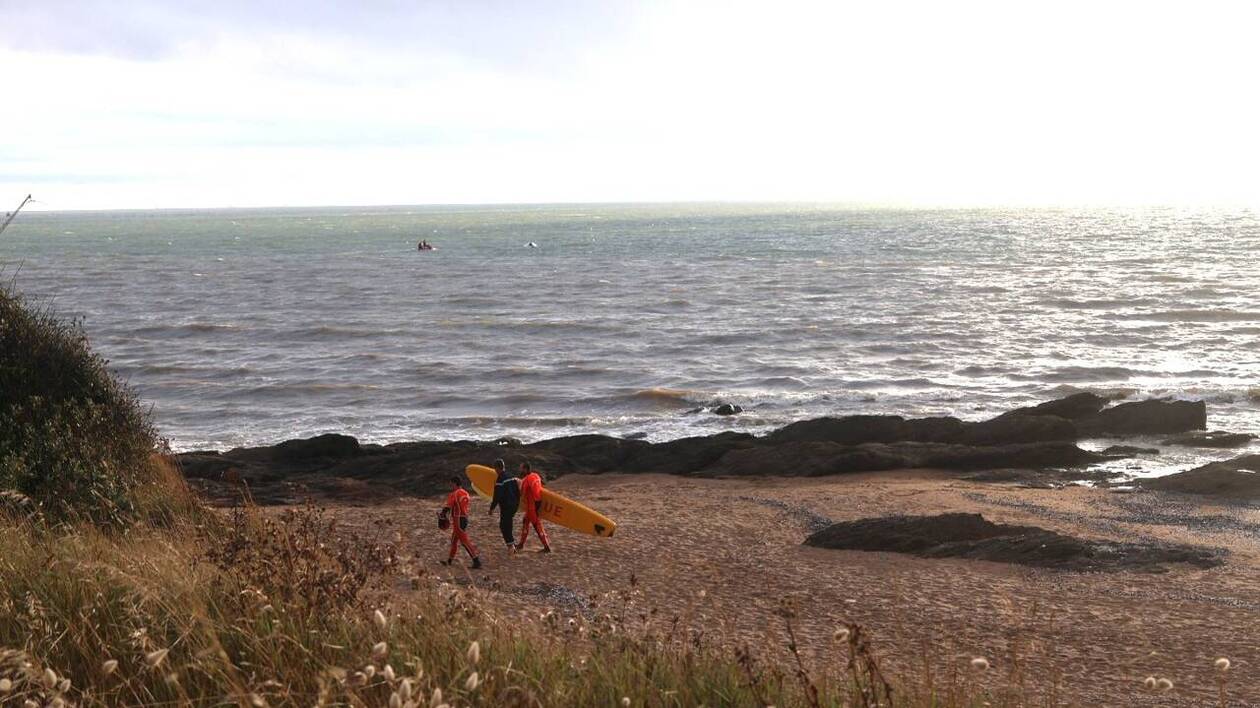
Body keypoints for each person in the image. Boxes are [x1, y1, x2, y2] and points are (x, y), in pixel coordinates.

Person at [440, 475, 481, 568]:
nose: (451, 485)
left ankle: (476, 561)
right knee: (454, 541)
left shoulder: (454, 494)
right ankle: (449, 561)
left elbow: (448, 507)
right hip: (464, 518)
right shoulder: (466, 493)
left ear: (454, 483)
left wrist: (443, 514)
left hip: (458, 519)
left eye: (451, 484)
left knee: (464, 541)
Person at [515, 461, 551, 553]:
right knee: (525, 522)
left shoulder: (527, 480)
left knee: (537, 526)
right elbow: (539, 491)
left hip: (532, 508)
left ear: (526, 469)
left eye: (521, 468)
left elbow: (522, 494)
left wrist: (535, 510)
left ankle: (546, 547)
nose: (520, 470)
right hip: (532, 508)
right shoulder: (536, 476)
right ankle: (521, 544)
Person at [488, 458, 520, 549]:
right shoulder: (512, 477)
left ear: (498, 468)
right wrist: (517, 503)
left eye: (495, 469)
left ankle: (511, 546)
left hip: (506, 506)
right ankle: (512, 544)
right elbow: (518, 492)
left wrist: (492, 508)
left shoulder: (500, 479)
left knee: (503, 525)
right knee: (508, 524)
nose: (495, 471)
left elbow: (497, 496)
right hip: (514, 505)